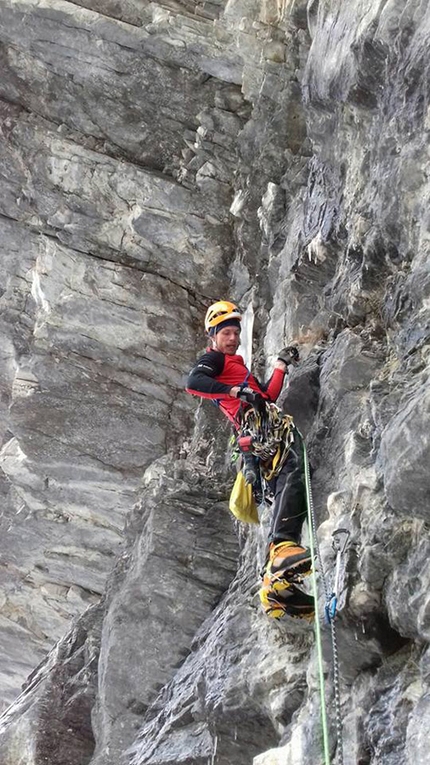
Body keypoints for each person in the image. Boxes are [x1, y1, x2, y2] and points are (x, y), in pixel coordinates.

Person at [186, 300, 314, 619]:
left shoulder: (237, 365)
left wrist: (281, 366)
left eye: (235, 333)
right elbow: (194, 383)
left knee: (292, 475)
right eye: (225, 332)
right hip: (256, 430)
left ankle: (278, 584)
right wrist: (234, 393)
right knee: (293, 469)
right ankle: (283, 549)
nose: (232, 338)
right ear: (213, 336)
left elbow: (265, 397)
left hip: (260, 424)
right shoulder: (214, 359)